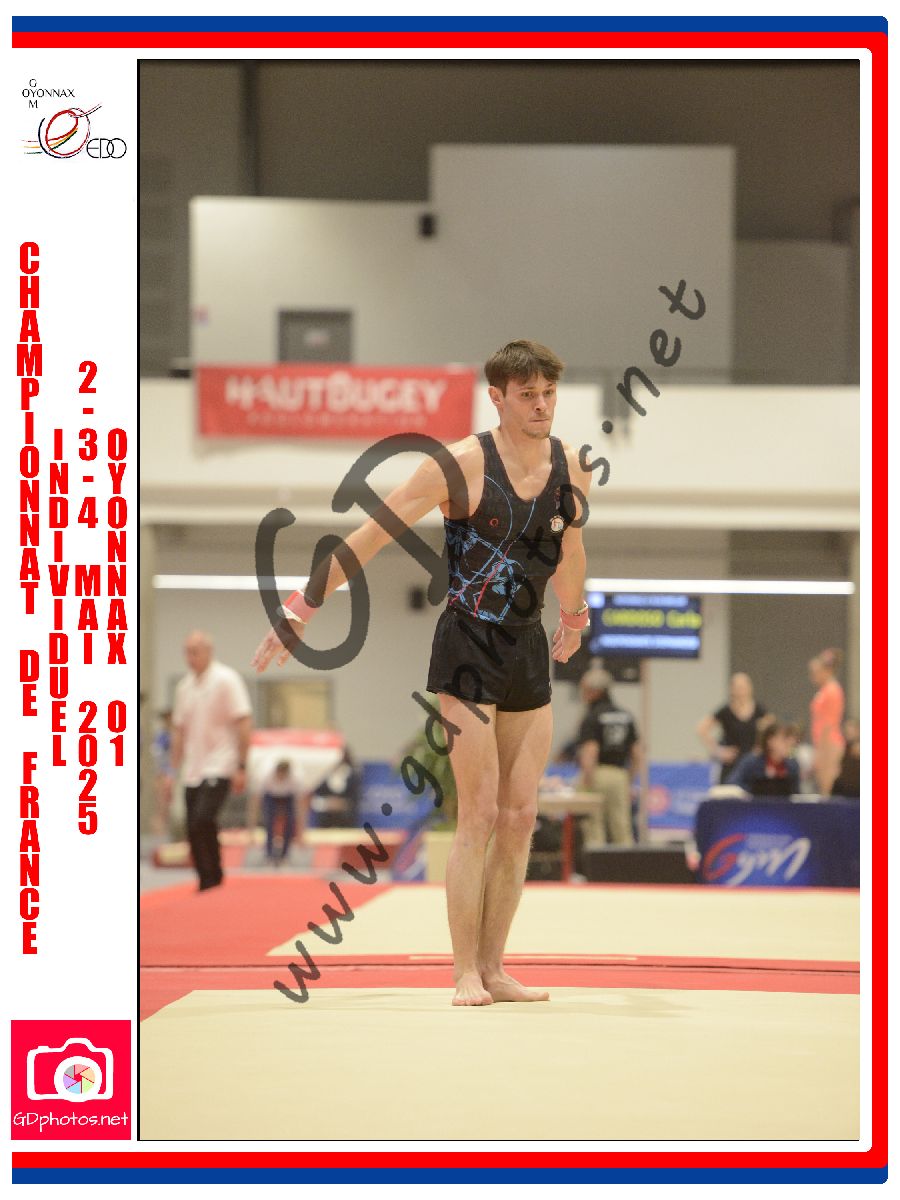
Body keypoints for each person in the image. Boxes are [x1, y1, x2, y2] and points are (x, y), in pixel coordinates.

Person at [252, 339, 591, 1006]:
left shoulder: (571, 466)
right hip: (468, 644)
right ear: (497, 398)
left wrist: (575, 616)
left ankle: (495, 967)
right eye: (528, 395)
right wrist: (302, 605)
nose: (542, 406)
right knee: (480, 812)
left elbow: (572, 548)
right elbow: (372, 535)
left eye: (549, 394)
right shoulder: (458, 466)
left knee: (521, 815)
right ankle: (465, 970)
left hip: (526, 646)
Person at [171, 631, 253, 891]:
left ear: (208, 652)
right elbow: (179, 731)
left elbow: (243, 721)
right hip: (193, 767)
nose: (190, 658)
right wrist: (171, 770)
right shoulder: (184, 687)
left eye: (195, 652)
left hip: (221, 762)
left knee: (203, 818)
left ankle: (214, 875)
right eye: (187, 652)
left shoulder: (226, 680)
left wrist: (241, 765)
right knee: (191, 826)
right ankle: (205, 879)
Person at [575, 666, 640, 847]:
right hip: (619, 775)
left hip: (597, 773)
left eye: (584, 690)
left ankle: (596, 863)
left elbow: (591, 751)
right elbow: (637, 753)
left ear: (595, 691)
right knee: (621, 827)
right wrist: (628, 779)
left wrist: (587, 780)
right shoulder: (626, 715)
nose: (582, 695)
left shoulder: (591, 716)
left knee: (594, 826)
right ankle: (625, 864)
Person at [697, 673, 770, 784]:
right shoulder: (725, 711)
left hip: (753, 762)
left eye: (744, 687)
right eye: (738, 688)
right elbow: (701, 728)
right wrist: (718, 751)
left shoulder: (759, 710)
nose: (741, 691)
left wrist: (761, 748)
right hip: (732, 763)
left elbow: (772, 730)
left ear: (750, 688)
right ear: (732, 690)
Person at [808, 647, 846, 794]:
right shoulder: (825, 690)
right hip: (823, 742)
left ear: (827, 670)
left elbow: (828, 725)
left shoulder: (832, 691)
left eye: (815, 673)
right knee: (822, 784)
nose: (813, 677)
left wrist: (821, 752)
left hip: (829, 743)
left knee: (826, 786)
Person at [730, 720, 801, 797]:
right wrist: (754, 792)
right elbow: (732, 784)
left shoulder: (793, 766)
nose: (789, 743)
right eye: (784, 739)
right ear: (770, 741)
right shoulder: (751, 762)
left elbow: (796, 795)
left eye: (792, 740)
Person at [307, 748, 361, 829]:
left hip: (346, 819)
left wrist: (342, 803)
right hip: (325, 819)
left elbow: (355, 798)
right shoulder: (322, 774)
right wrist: (327, 803)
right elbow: (314, 796)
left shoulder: (352, 775)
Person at [259, 759, 301, 864]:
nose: (281, 777)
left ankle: (285, 854)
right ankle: (268, 853)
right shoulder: (266, 777)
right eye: (279, 774)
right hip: (270, 796)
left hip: (288, 797)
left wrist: (301, 833)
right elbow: (256, 800)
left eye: (284, 775)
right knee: (269, 822)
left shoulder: (296, 779)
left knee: (290, 823)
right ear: (276, 771)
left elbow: (300, 804)